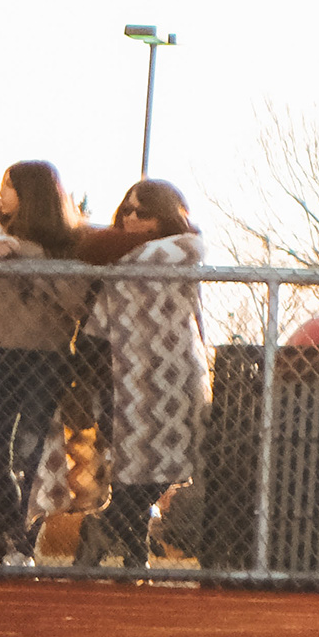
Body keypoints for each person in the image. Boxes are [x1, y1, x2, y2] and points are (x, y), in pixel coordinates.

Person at [0, 163, 89, 567]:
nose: (0, 193)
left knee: (31, 453)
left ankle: (21, 546)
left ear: (31, 194)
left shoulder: (69, 243)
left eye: (8, 186)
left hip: (45, 358)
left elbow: (76, 302)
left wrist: (29, 257)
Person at [89, 180, 207, 570]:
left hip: (173, 377)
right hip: (119, 374)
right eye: (127, 210)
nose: (131, 218)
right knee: (130, 468)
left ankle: (106, 525)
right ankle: (133, 555)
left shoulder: (181, 253)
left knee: (173, 463)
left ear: (165, 216)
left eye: (142, 212)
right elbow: (98, 318)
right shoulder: (112, 258)